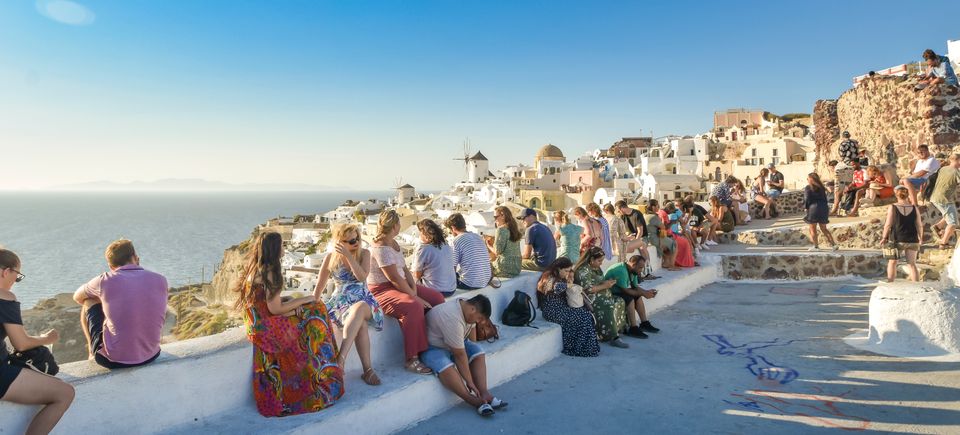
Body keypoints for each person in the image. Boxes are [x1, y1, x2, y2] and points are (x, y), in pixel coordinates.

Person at [236, 232, 344, 416]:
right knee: (317, 309)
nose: (284, 249)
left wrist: (291, 302)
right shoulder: (271, 272)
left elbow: (266, 303)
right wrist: (299, 305)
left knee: (310, 307)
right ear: (275, 249)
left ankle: (322, 370)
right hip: (267, 327)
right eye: (282, 245)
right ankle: (324, 375)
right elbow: (275, 309)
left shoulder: (255, 268)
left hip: (257, 322)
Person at [0, 249, 75, 435]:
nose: (15, 282)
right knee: (65, 393)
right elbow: (21, 343)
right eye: (17, 276)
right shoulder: (5, 297)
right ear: (6, 272)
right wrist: (48, 338)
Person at [367, 210, 446, 375]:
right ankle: (412, 358)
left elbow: (404, 269)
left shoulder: (394, 243)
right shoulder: (381, 247)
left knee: (437, 298)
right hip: (382, 289)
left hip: (400, 284)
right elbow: (394, 278)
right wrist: (414, 296)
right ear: (395, 226)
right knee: (413, 306)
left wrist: (414, 288)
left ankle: (433, 341)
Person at [73, 239, 167, 369]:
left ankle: (92, 351)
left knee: (88, 301)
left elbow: (77, 297)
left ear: (111, 266)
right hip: (152, 355)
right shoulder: (160, 279)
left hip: (114, 360)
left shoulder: (104, 280)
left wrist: (104, 298)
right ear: (136, 258)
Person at [314, 223, 384, 386]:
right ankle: (368, 370)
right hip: (341, 303)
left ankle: (340, 359)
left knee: (359, 308)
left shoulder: (364, 253)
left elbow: (362, 277)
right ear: (340, 242)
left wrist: (349, 256)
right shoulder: (330, 258)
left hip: (363, 298)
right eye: (351, 241)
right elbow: (319, 287)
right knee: (361, 325)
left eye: (357, 238)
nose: (356, 242)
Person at [421, 294, 507, 417]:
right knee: (445, 366)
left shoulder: (467, 305)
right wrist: (469, 382)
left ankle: (484, 393)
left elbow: (471, 338)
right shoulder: (452, 317)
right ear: (473, 309)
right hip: (432, 347)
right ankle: (472, 400)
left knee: (477, 351)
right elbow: (459, 355)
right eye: (479, 318)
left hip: (451, 343)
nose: (479, 322)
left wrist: (472, 349)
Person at [536, 257, 600, 357]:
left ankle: (587, 348)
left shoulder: (560, 276)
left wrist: (569, 280)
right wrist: (568, 285)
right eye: (566, 271)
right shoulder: (549, 276)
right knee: (582, 317)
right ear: (558, 269)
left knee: (586, 313)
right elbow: (555, 287)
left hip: (562, 308)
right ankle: (576, 348)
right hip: (553, 311)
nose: (567, 273)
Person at [573, 247, 629, 349]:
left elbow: (598, 282)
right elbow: (587, 290)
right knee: (607, 304)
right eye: (599, 261)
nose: (601, 263)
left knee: (619, 300)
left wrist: (607, 282)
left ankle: (617, 329)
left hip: (600, 295)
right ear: (591, 259)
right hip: (589, 299)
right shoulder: (583, 270)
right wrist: (605, 286)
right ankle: (613, 337)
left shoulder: (595, 267)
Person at [604, 255, 660, 340]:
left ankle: (644, 323)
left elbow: (635, 287)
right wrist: (644, 294)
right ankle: (633, 328)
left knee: (638, 296)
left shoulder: (633, 270)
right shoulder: (621, 271)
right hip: (609, 293)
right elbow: (626, 291)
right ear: (633, 265)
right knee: (630, 299)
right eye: (640, 267)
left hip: (619, 291)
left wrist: (646, 292)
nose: (641, 270)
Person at [880, 186, 923, 282]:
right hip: (912, 239)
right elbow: (919, 225)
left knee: (892, 263)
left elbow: (888, 224)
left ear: (896, 195)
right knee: (912, 264)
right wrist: (920, 237)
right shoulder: (914, 208)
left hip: (897, 239)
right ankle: (917, 285)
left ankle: (890, 283)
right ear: (907, 195)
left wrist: (884, 237)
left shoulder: (893, 207)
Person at [445, 213, 493, 291]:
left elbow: (452, 267)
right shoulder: (478, 237)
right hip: (485, 281)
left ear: (453, 228)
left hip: (470, 283)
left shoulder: (456, 241)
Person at [412, 219, 457, 296]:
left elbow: (416, 275)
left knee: (409, 279)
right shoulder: (446, 245)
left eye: (420, 233)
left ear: (424, 233)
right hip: (451, 289)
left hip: (435, 292)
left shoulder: (424, 248)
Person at [929, 154, 960, 249]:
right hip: (944, 199)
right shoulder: (956, 172)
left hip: (935, 197)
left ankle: (938, 226)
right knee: (953, 223)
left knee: (950, 214)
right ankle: (943, 243)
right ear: (958, 160)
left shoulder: (943, 169)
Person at [804, 173, 838, 251]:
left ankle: (816, 246)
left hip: (813, 208)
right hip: (823, 208)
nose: (807, 179)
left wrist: (806, 208)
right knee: (824, 229)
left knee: (812, 229)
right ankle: (834, 245)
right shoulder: (822, 187)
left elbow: (807, 198)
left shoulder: (808, 187)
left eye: (808, 178)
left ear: (811, 179)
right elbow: (825, 199)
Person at [486, 206, 522, 278]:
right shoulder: (514, 229)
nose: (495, 220)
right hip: (516, 268)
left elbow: (497, 252)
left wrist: (488, 246)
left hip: (504, 268)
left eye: (496, 217)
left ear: (503, 216)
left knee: (481, 266)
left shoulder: (501, 230)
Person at [659, 203, 696, 267]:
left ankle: (688, 261)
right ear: (669, 209)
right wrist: (672, 222)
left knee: (686, 241)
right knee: (685, 243)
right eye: (672, 211)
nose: (671, 213)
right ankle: (680, 263)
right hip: (667, 235)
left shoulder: (661, 212)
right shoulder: (664, 214)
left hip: (669, 234)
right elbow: (665, 227)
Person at [645, 200, 678, 271]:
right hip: (655, 239)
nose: (659, 207)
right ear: (653, 207)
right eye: (657, 205)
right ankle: (672, 266)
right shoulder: (653, 217)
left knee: (667, 246)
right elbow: (663, 227)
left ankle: (666, 263)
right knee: (674, 244)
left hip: (648, 239)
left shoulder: (645, 215)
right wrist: (672, 222)